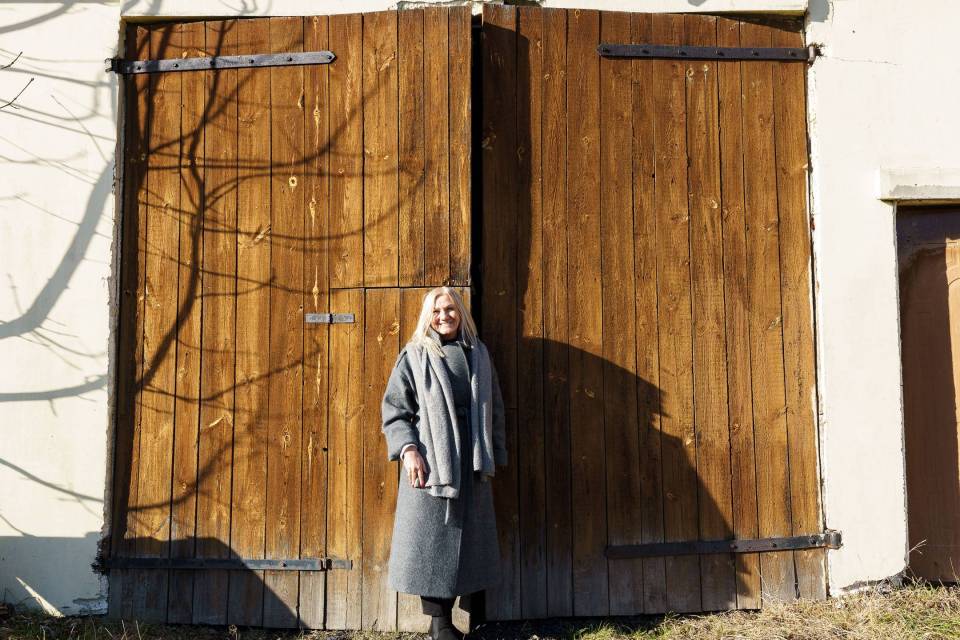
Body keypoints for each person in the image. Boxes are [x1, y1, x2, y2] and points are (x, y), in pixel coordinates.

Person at [381, 286, 508, 640]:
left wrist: (495, 453)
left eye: (450, 309)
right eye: (436, 311)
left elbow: (495, 407)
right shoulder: (414, 355)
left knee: (467, 546)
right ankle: (440, 624)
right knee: (432, 546)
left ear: (461, 314)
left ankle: (457, 623)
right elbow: (395, 410)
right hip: (432, 462)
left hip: (472, 461)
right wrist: (408, 450)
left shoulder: (478, 353)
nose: (443, 316)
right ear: (428, 317)